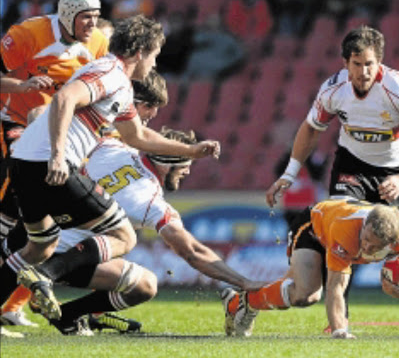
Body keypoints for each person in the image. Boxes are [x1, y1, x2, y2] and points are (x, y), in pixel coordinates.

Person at [0, 14, 221, 322]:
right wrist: (59, 154)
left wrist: (191, 150)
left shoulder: (117, 83)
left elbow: (137, 136)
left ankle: (38, 276)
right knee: (123, 235)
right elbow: (65, 97)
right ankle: (45, 277)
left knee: (41, 245)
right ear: (140, 52)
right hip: (48, 164)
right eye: (155, 56)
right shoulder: (111, 73)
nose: (154, 65)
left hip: (24, 163)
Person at [265, 25, 399, 330]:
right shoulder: (333, 90)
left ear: (380, 62)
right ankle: (339, 321)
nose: (363, 72)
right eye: (356, 64)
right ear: (345, 63)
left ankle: (390, 279)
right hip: (350, 164)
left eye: (370, 64)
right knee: (345, 227)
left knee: (380, 239)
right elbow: (310, 129)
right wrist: (290, 173)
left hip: (393, 172)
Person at [34, 126, 264, 335]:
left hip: (36, 237)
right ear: (169, 159)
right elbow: (192, 252)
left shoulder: (113, 148)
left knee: (113, 241)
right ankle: (68, 315)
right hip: (64, 258)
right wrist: (243, 282)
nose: (188, 172)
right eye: (186, 163)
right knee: (145, 284)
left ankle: (86, 315)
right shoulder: (149, 200)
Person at [0, 69, 168, 331]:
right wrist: (48, 150)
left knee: (145, 283)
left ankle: (67, 314)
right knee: (121, 236)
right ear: (129, 102)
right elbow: (38, 114)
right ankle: (40, 278)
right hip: (50, 224)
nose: (152, 115)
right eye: (149, 106)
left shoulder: (121, 142)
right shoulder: (90, 114)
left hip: (76, 247)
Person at [0, 0, 109, 327]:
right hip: (17, 122)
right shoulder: (28, 34)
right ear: (66, 14)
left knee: (47, 226)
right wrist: (21, 87)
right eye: (85, 17)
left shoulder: (98, 43)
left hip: (59, 138)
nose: (92, 24)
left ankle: (12, 305)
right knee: (16, 213)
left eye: (96, 16)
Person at [221, 198, 399, 338]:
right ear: (365, 225)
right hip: (312, 228)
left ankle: (235, 303)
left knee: (293, 291)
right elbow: (336, 286)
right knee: (306, 295)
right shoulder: (348, 231)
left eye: (373, 246)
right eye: (365, 238)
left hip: (333, 227)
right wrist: (339, 331)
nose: (365, 246)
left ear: (392, 244)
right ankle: (245, 304)